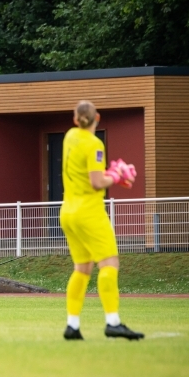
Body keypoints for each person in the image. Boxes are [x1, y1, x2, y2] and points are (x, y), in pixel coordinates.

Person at [60, 100, 143, 341]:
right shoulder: (94, 143)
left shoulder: (69, 136)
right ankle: (112, 322)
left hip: (68, 211)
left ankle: (72, 325)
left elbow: (84, 174)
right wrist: (115, 175)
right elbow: (96, 182)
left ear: (75, 120)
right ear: (98, 118)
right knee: (109, 264)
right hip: (89, 211)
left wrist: (107, 174)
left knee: (82, 268)